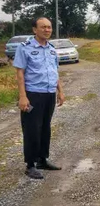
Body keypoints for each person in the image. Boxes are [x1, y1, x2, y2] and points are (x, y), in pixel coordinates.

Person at [13, 17, 65, 180]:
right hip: (33, 94)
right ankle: (30, 165)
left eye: (49, 27)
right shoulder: (25, 48)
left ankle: (42, 159)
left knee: (45, 128)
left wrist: (60, 91)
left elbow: (54, 72)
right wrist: (23, 96)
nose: (47, 30)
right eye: (43, 27)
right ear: (35, 30)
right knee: (31, 129)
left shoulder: (51, 49)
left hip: (49, 93)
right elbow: (20, 73)